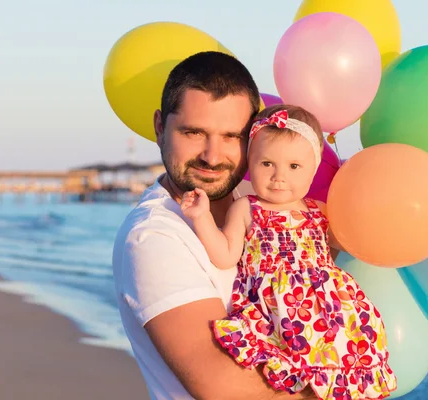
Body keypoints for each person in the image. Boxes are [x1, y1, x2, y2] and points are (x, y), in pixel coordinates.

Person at [112, 51, 318, 400]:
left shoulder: (262, 201)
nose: (212, 155)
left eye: (230, 137)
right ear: (160, 127)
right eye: (194, 132)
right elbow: (230, 390)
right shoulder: (154, 237)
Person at [180, 104, 397, 400]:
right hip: (277, 313)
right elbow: (226, 254)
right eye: (266, 163)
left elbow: (349, 244)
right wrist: (202, 217)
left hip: (331, 313)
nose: (278, 177)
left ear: (313, 169)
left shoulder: (319, 211)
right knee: (287, 379)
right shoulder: (246, 208)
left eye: (294, 167)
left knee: (343, 366)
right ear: (250, 163)